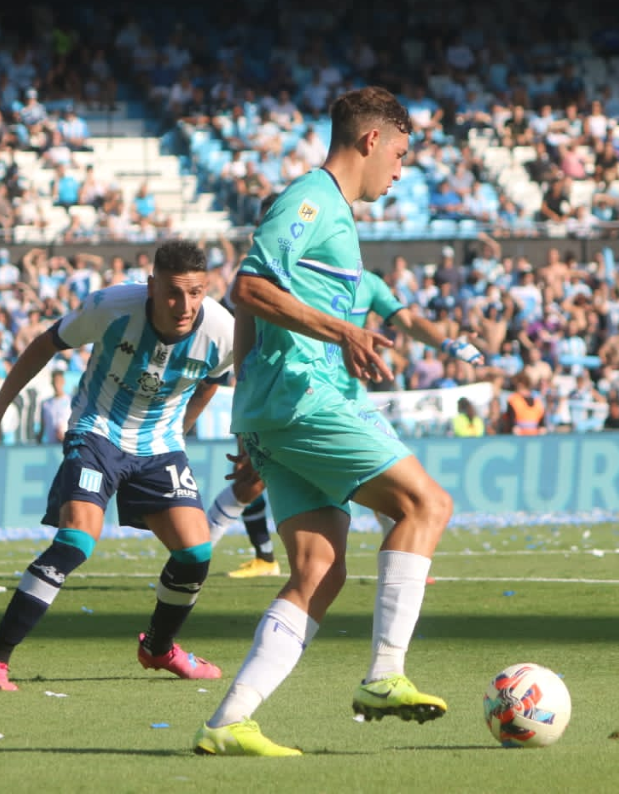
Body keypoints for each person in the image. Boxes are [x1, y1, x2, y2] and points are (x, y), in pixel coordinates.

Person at [194, 87, 454, 757]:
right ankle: (385, 673)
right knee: (426, 503)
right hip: (306, 399)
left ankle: (229, 721)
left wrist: (250, 422)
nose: (401, 171)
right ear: (370, 141)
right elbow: (247, 288)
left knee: (318, 568)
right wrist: (342, 332)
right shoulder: (310, 200)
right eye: (399, 154)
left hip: (279, 409)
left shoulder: (332, 215)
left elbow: (257, 306)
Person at [0, 239, 235, 691]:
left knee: (195, 554)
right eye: (172, 292)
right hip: (98, 430)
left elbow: (212, 380)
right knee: (75, 542)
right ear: (151, 286)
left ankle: (159, 648)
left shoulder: (224, 331)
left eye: (195, 293)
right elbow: (43, 345)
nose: (184, 305)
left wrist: (180, 431)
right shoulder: (110, 307)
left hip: (160, 445)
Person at [207, 265, 484, 577]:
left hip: (352, 400)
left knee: (398, 483)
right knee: (249, 484)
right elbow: (247, 326)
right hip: (301, 398)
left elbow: (408, 321)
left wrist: (447, 343)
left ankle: (405, 566)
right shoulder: (283, 276)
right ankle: (196, 555)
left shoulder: (369, 283)